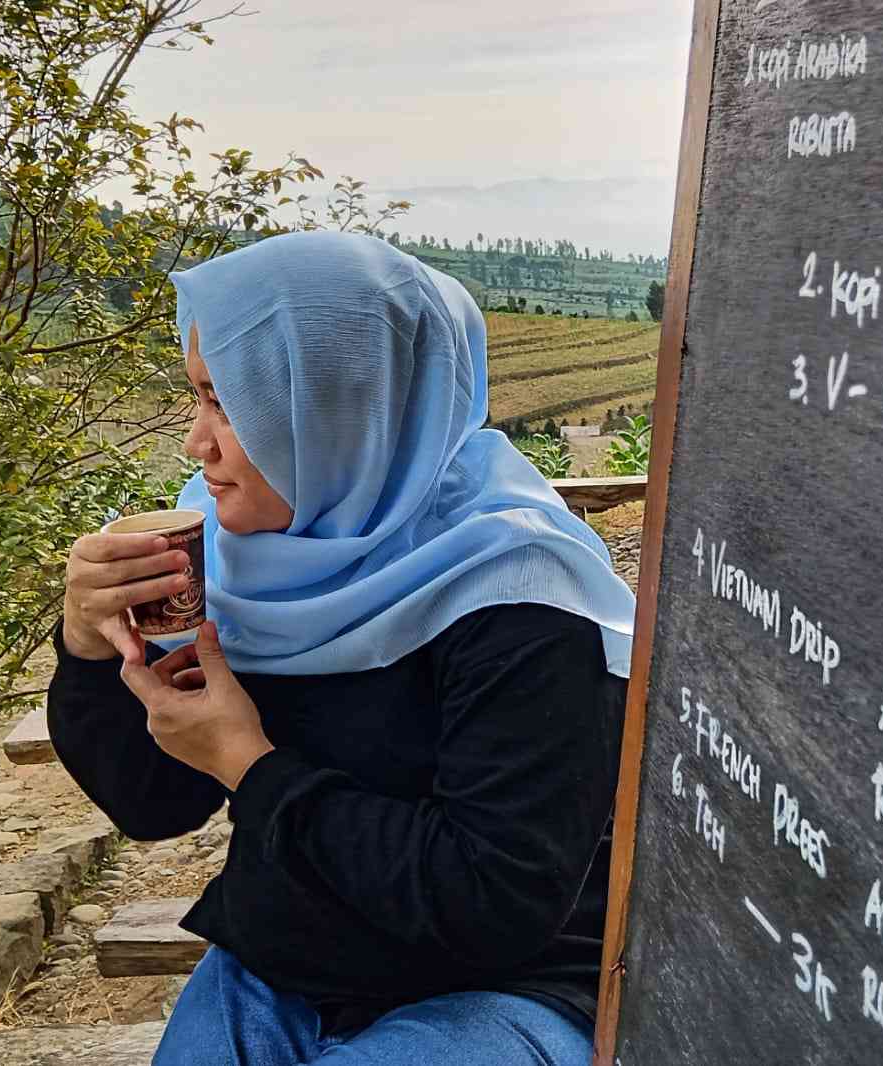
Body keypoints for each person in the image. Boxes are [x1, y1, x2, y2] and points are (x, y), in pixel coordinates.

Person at [47, 231, 637, 1065]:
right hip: (287, 961)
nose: (196, 444)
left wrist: (251, 767)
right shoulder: (248, 553)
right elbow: (154, 806)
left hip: (503, 985)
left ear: (336, 406)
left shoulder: (518, 593)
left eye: (226, 403)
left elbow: (494, 901)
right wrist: (88, 647)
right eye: (197, 398)